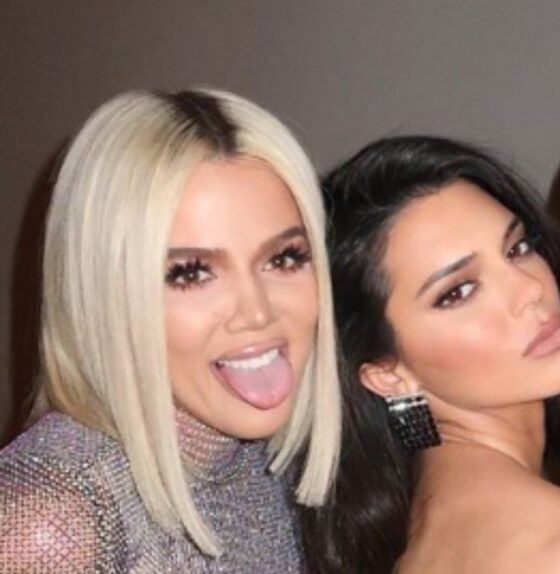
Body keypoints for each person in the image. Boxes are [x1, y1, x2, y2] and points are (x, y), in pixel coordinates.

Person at [0, 88, 341, 572]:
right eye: (190, 273)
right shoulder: (50, 520)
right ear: (106, 295)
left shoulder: (261, 467)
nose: (257, 312)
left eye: (284, 258)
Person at [301, 136, 560, 574]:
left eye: (517, 248)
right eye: (458, 291)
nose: (530, 290)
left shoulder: (421, 537)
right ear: (389, 375)